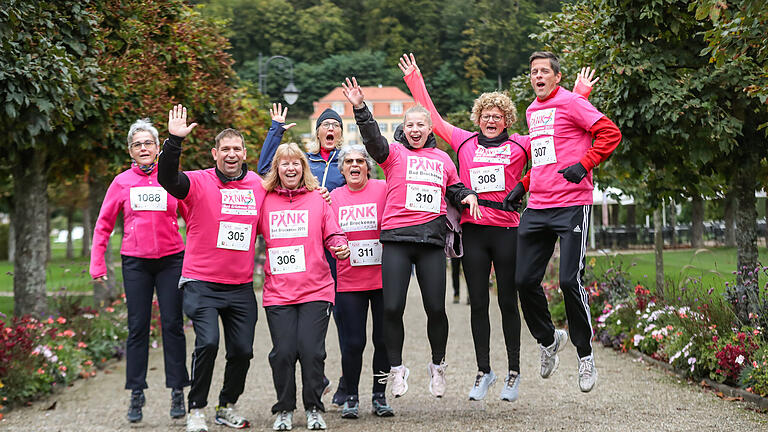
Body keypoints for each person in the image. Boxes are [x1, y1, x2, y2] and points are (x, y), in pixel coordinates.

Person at [399, 53, 596, 401]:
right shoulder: (463, 141)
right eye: (486, 116)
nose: (491, 120)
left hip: (508, 230)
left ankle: (514, 373)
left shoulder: (520, 142)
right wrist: (415, 79)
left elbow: (558, 135)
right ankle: (483, 372)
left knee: (509, 301)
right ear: (478, 119)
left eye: (498, 116)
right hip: (474, 232)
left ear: (507, 120)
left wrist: (579, 93)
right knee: (478, 304)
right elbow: (434, 117)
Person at [342, 76, 481, 399]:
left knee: (436, 309)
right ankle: (397, 369)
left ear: (429, 129)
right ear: (403, 130)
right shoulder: (393, 155)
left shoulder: (443, 160)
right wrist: (361, 108)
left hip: (430, 243)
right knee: (392, 308)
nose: (415, 130)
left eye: (421, 125)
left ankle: (437, 366)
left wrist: (468, 194)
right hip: (396, 240)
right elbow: (374, 140)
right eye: (410, 125)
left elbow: (455, 187)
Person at [158, 104, 285, 432]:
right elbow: (167, 178)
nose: (231, 154)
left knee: (243, 351)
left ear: (244, 154)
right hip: (201, 283)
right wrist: (174, 141)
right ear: (215, 154)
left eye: (237, 149)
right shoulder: (198, 183)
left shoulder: (258, 186)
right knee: (208, 343)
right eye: (225, 149)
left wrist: (323, 196)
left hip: (241, 287)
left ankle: (226, 405)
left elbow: (290, 202)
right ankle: (196, 408)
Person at [506, 51, 621, 393]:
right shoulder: (531, 111)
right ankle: (548, 340)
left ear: (557, 77)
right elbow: (545, 157)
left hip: (572, 205)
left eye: (544, 71)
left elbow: (610, 133)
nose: (537, 76)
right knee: (523, 280)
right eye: (533, 72)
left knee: (571, 281)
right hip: (538, 207)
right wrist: (522, 185)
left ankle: (585, 357)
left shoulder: (573, 103)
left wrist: (585, 164)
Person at [90, 119, 188, 423]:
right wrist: (97, 263)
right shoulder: (121, 182)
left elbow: (194, 214)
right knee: (137, 328)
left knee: (172, 325)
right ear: (130, 151)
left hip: (172, 259)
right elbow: (104, 224)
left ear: (158, 148)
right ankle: (136, 393)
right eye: (137, 144)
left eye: (148, 143)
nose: (143, 148)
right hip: (135, 262)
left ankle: (177, 390)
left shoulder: (171, 178)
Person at [259, 104, 348, 406]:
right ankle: (317, 382)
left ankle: (347, 387)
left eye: (336, 124)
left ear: (340, 132)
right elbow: (266, 171)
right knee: (302, 334)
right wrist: (275, 130)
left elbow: (361, 188)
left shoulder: (346, 162)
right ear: (318, 131)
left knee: (345, 322)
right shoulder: (303, 162)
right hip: (303, 253)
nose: (330, 129)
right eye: (326, 124)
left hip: (335, 248)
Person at [329, 144, 394, 419]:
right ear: (342, 169)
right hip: (348, 281)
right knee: (353, 343)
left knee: (383, 340)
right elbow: (329, 230)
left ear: (368, 166)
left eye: (359, 161)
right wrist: (337, 244)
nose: (354, 165)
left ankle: (379, 396)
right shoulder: (333, 196)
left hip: (383, 280)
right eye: (349, 162)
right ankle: (352, 396)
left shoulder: (383, 188)